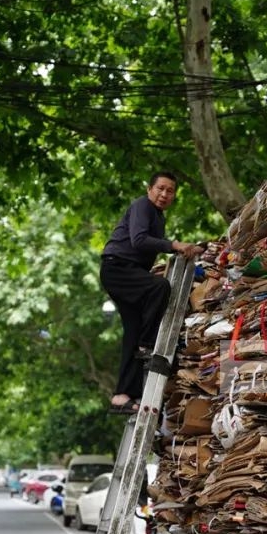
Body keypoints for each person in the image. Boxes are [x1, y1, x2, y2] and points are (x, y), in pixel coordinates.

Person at [101, 172, 204, 414]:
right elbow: (138, 240)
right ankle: (147, 346)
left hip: (129, 271)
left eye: (170, 191)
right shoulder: (142, 205)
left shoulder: (158, 218)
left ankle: (122, 396)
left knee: (133, 332)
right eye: (160, 188)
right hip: (117, 268)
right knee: (160, 287)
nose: (164, 194)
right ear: (149, 189)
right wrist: (174, 245)